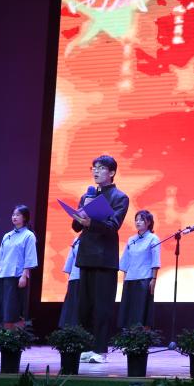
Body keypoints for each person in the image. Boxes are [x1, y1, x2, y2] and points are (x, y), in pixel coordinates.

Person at [71, 154, 130, 364]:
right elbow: (76, 226)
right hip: (86, 255)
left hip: (105, 258)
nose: (96, 171)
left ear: (112, 172)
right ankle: (86, 347)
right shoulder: (88, 195)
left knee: (102, 307)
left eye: (101, 168)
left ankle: (100, 349)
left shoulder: (120, 197)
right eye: (94, 167)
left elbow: (113, 226)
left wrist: (91, 223)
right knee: (84, 306)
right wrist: (80, 215)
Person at [0, 204, 38, 330]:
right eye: (13, 215)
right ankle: (5, 337)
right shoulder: (7, 235)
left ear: (25, 217)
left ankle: (15, 339)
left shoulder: (28, 235)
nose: (14, 217)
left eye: (18, 215)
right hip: (3, 276)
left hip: (16, 277)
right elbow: (0, 257)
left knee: (15, 310)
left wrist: (24, 276)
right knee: (3, 310)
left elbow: (30, 257)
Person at [117, 210, 161, 328]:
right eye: (136, 220)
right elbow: (125, 261)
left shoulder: (153, 238)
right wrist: (124, 280)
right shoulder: (131, 239)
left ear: (149, 222)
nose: (138, 222)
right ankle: (128, 335)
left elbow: (155, 261)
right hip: (130, 279)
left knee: (142, 311)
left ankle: (143, 335)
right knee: (128, 311)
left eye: (141, 219)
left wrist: (154, 279)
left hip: (144, 279)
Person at [59, 236, 81, 327]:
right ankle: (70, 331)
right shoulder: (77, 239)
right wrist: (69, 278)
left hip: (89, 279)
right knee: (71, 309)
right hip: (75, 277)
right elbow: (70, 260)